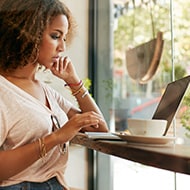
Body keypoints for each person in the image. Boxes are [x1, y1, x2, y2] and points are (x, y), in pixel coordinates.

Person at [0, 0, 108, 189]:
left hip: (56, 184)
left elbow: (99, 129)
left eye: (64, 38)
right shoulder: (4, 90)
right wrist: (57, 137)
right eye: (55, 36)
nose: (62, 48)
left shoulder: (45, 91)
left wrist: (74, 82)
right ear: (28, 34)